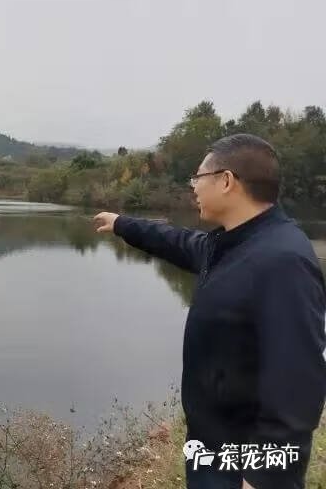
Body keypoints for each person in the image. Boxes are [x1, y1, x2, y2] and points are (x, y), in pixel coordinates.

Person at [94, 134, 326, 489]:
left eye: (197, 178)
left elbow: (296, 386)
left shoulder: (282, 262)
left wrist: (265, 478)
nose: (193, 188)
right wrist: (123, 225)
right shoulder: (232, 243)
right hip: (211, 448)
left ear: (227, 181)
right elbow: (181, 242)